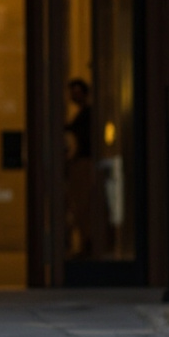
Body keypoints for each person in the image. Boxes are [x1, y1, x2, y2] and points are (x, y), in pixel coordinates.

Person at [63, 78, 99, 258]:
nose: (74, 97)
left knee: (83, 206)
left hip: (84, 163)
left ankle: (88, 244)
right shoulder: (82, 114)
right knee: (79, 206)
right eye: (72, 93)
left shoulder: (88, 114)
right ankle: (85, 243)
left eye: (77, 93)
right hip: (79, 162)